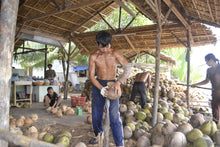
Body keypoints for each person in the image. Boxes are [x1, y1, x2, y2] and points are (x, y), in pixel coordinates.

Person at [89, 30, 132, 147]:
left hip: (113, 84)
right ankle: (99, 136)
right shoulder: (93, 56)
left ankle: (120, 143)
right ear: (98, 45)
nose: (106, 50)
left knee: (114, 116)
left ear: (110, 44)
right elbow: (91, 76)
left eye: (108, 46)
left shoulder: (114, 53)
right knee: (96, 114)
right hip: (98, 83)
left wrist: (118, 82)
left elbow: (128, 69)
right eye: (103, 48)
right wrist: (101, 88)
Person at [191, 53, 220, 124]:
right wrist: (196, 84)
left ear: (211, 60)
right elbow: (206, 81)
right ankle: (216, 125)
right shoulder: (208, 70)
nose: (206, 63)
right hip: (215, 92)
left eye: (206, 61)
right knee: (215, 110)